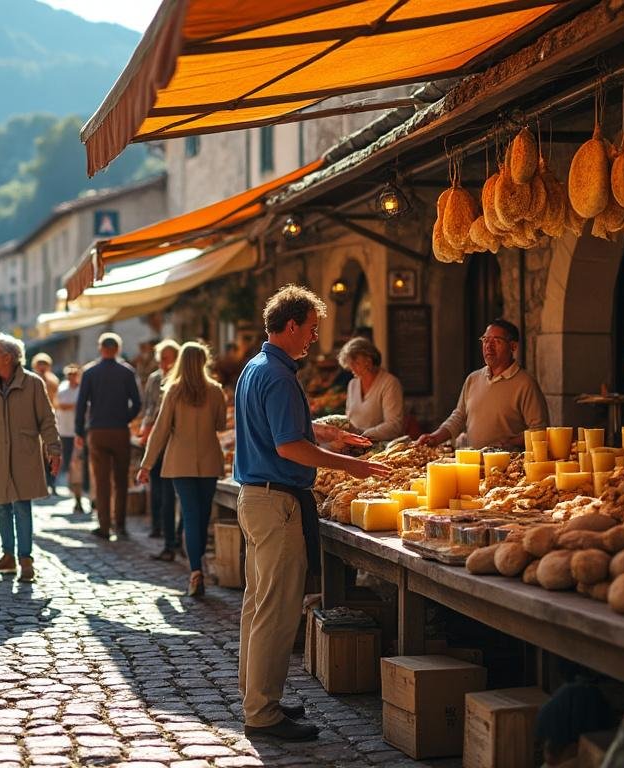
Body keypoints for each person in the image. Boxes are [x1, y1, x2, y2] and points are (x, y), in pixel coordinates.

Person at [233, 285, 388, 742]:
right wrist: (352, 465)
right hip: (276, 501)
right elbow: (288, 446)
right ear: (292, 324)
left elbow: (287, 427)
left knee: (257, 605)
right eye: (312, 330)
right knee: (277, 613)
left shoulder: (256, 367)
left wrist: (330, 435)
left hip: (256, 498)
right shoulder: (279, 375)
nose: (313, 340)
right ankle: (261, 713)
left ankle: (256, 696)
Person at [137, 341, 226, 596]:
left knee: (189, 515)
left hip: (179, 462)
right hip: (209, 460)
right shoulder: (216, 391)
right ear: (203, 362)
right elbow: (221, 424)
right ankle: (198, 567)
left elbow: (160, 430)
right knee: (203, 514)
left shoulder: (173, 391)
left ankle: (195, 571)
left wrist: (146, 464)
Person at [0, 334, 62, 583]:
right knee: (2, 507)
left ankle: (26, 561)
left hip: (24, 454)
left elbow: (47, 420)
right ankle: (8, 556)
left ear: (8, 357)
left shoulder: (33, 383)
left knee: (22, 507)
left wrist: (54, 450)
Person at [418, 319, 549, 449]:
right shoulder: (473, 379)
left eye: (496, 341)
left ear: (513, 347)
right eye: (485, 340)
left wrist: (510, 443)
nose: (488, 346)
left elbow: (539, 430)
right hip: (473, 463)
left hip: (510, 465)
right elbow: (458, 417)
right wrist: (435, 437)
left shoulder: (525, 383)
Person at [75, 332, 142, 540]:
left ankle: (104, 525)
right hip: (120, 431)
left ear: (100, 348)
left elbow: (81, 405)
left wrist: (79, 431)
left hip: (97, 431)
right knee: (121, 480)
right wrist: (125, 418)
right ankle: (120, 525)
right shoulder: (127, 372)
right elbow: (137, 403)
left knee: (101, 480)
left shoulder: (90, 372)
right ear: (118, 349)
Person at [138, 339, 180, 554]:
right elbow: (148, 409)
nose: (163, 363)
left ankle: (172, 536)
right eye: (161, 359)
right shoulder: (154, 380)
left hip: (174, 442)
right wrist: (146, 428)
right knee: (157, 485)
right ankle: (158, 527)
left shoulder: (180, 380)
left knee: (170, 490)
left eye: (166, 358)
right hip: (156, 438)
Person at [338, 337, 405, 442]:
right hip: (355, 444)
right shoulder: (353, 384)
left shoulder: (389, 383)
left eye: (356, 362)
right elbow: (349, 419)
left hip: (381, 447)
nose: (351, 367)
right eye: (350, 363)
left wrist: (362, 435)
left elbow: (394, 426)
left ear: (369, 360)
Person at [55, 364, 87, 514]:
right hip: (66, 432)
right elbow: (61, 405)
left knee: (82, 466)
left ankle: (88, 497)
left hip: (80, 432)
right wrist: (76, 406)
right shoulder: (63, 388)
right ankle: (77, 498)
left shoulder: (83, 390)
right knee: (71, 466)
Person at [31, 353, 61, 491]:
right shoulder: (30, 380)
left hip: (50, 420)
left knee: (51, 451)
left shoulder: (53, 381)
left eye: (45, 364)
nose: (42, 367)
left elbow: (57, 400)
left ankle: (52, 482)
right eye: (40, 364)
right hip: (34, 421)